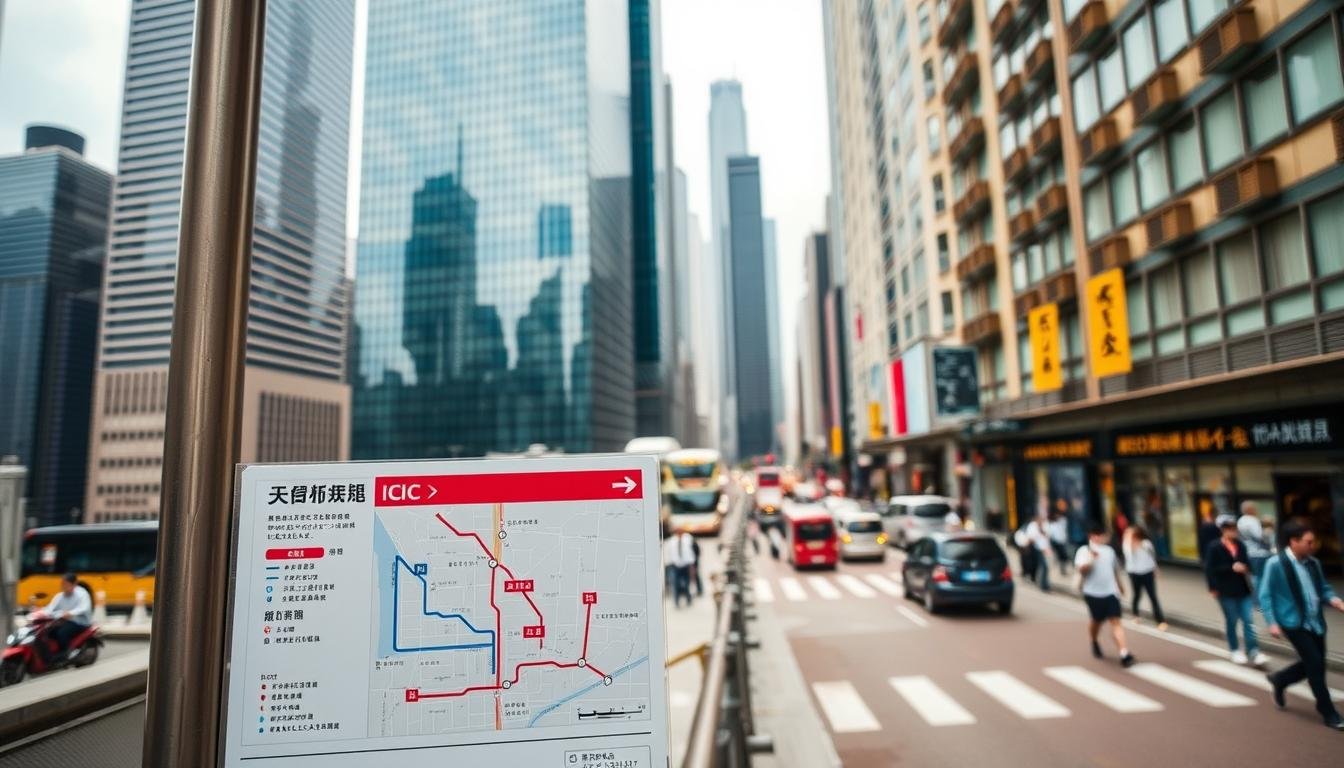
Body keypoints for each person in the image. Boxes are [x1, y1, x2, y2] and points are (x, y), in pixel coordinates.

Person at [1260, 519, 1344, 731]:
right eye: (1308, 542)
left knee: (1315, 663)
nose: (1313, 546)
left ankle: (1280, 679)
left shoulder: (1313, 563)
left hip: (1315, 622)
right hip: (1293, 622)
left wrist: (1335, 600)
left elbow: (1323, 588)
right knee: (1314, 664)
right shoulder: (1275, 564)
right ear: (1294, 542)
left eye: (1313, 541)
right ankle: (1328, 712)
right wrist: (1272, 622)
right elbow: (1265, 595)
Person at [1205, 514, 1267, 667]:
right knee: (1232, 620)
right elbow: (1210, 569)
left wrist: (1245, 567)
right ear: (1223, 530)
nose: (1234, 532)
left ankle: (1253, 651)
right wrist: (1213, 587)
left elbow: (1248, 564)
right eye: (1230, 529)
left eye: (1235, 529)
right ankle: (1234, 650)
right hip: (1225, 590)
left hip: (1243, 589)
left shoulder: (1241, 545)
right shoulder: (1214, 547)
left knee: (1248, 620)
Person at [1076, 525, 1135, 667]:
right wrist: (1091, 559)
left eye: (1101, 535)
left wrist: (1120, 586)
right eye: (1096, 535)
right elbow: (1081, 570)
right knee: (1096, 621)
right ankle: (1094, 641)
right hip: (1092, 593)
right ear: (1091, 537)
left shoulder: (1109, 551)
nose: (1099, 538)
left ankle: (1124, 653)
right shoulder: (1084, 551)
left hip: (1110, 592)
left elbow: (1115, 570)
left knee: (1116, 622)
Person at [1122, 526, 1167, 630]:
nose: (1128, 535)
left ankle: (1160, 620)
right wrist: (1131, 543)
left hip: (1147, 572)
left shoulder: (1146, 543)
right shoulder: (1127, 544)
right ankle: (1135, 615)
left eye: (1131, 534)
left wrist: (1155, 568)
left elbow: (1152, 556)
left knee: (1153, 596)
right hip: (1134, 573)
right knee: (1137, 595)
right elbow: (1129, 557)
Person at [41, 573, 92, 663]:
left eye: (66, 584)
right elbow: (50, 609)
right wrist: (40, 612)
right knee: (47, 632)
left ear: (74, 584)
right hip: (64, 621)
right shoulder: (59, 596)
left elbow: (84, 608)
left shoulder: (82, 594)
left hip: (80, 622)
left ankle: (67, 653)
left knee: (62, 633)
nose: (63, 586)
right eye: (62, 584)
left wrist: (71, 613)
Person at [1238, 502, 1272, 592]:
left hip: (1249, 552)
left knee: (1254, 577)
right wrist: (1268, 530)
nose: (1257, 511)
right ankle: (1260, 598)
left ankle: (1256, 597)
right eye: (1255, 509)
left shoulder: (1241, 520)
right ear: (1250, 510)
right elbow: (1260, 536)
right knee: (1261, 578)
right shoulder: (1252, 520)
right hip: (1259, 553)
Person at [663, 528, 696, 608]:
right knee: (675, 584)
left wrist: (692, 564)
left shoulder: (687, 539)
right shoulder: (671, 542)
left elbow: (692, 551)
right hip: (675, 566)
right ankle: (676, 602)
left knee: (687, 584)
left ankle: (688, 599)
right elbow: (667, 553)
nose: (680, 534)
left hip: (686, 565)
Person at [1026, 513, 1053, 592]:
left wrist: (1041, 528)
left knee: (1046, 567)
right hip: (1037, 549)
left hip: (1046, 549)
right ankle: (1042, 584)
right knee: (1043, 566)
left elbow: (1048, 535)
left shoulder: (1046, 524)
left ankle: (1045, 583)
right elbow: (1031, 537)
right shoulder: (1032, 525)